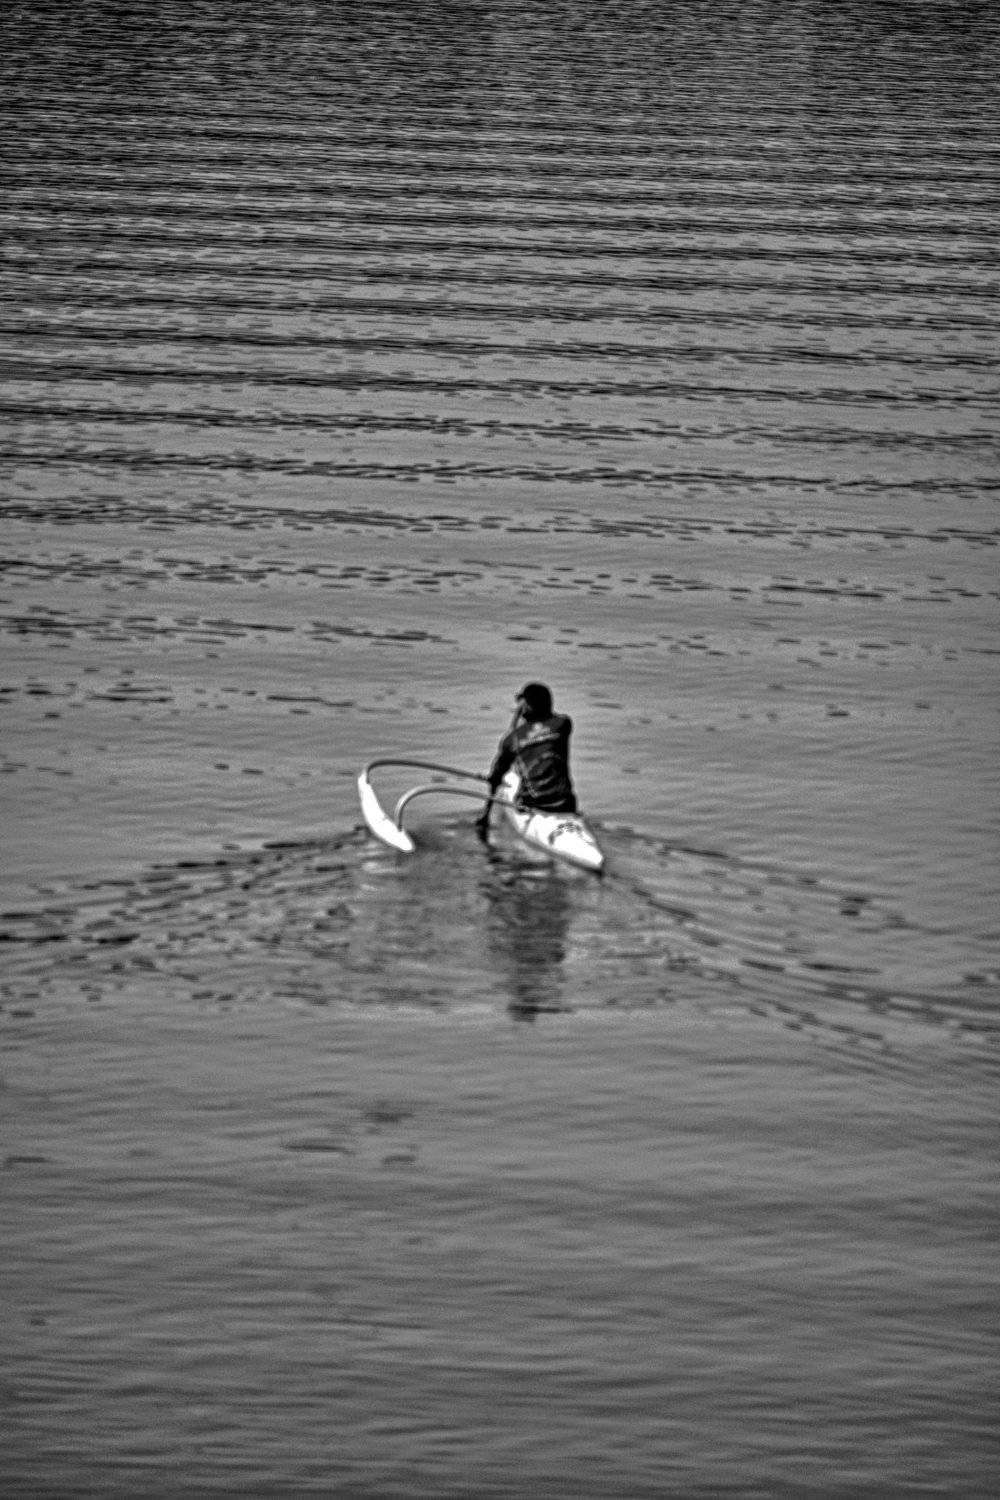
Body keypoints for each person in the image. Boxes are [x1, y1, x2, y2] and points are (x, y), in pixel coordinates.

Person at [475, 682, 577, 836]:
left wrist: (486, 814)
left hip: (534, 806)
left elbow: (496, 779)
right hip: (566, 805)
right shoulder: (563, 724)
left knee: (503, 778)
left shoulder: (512, 739)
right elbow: (545, 722)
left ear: (526, 706)